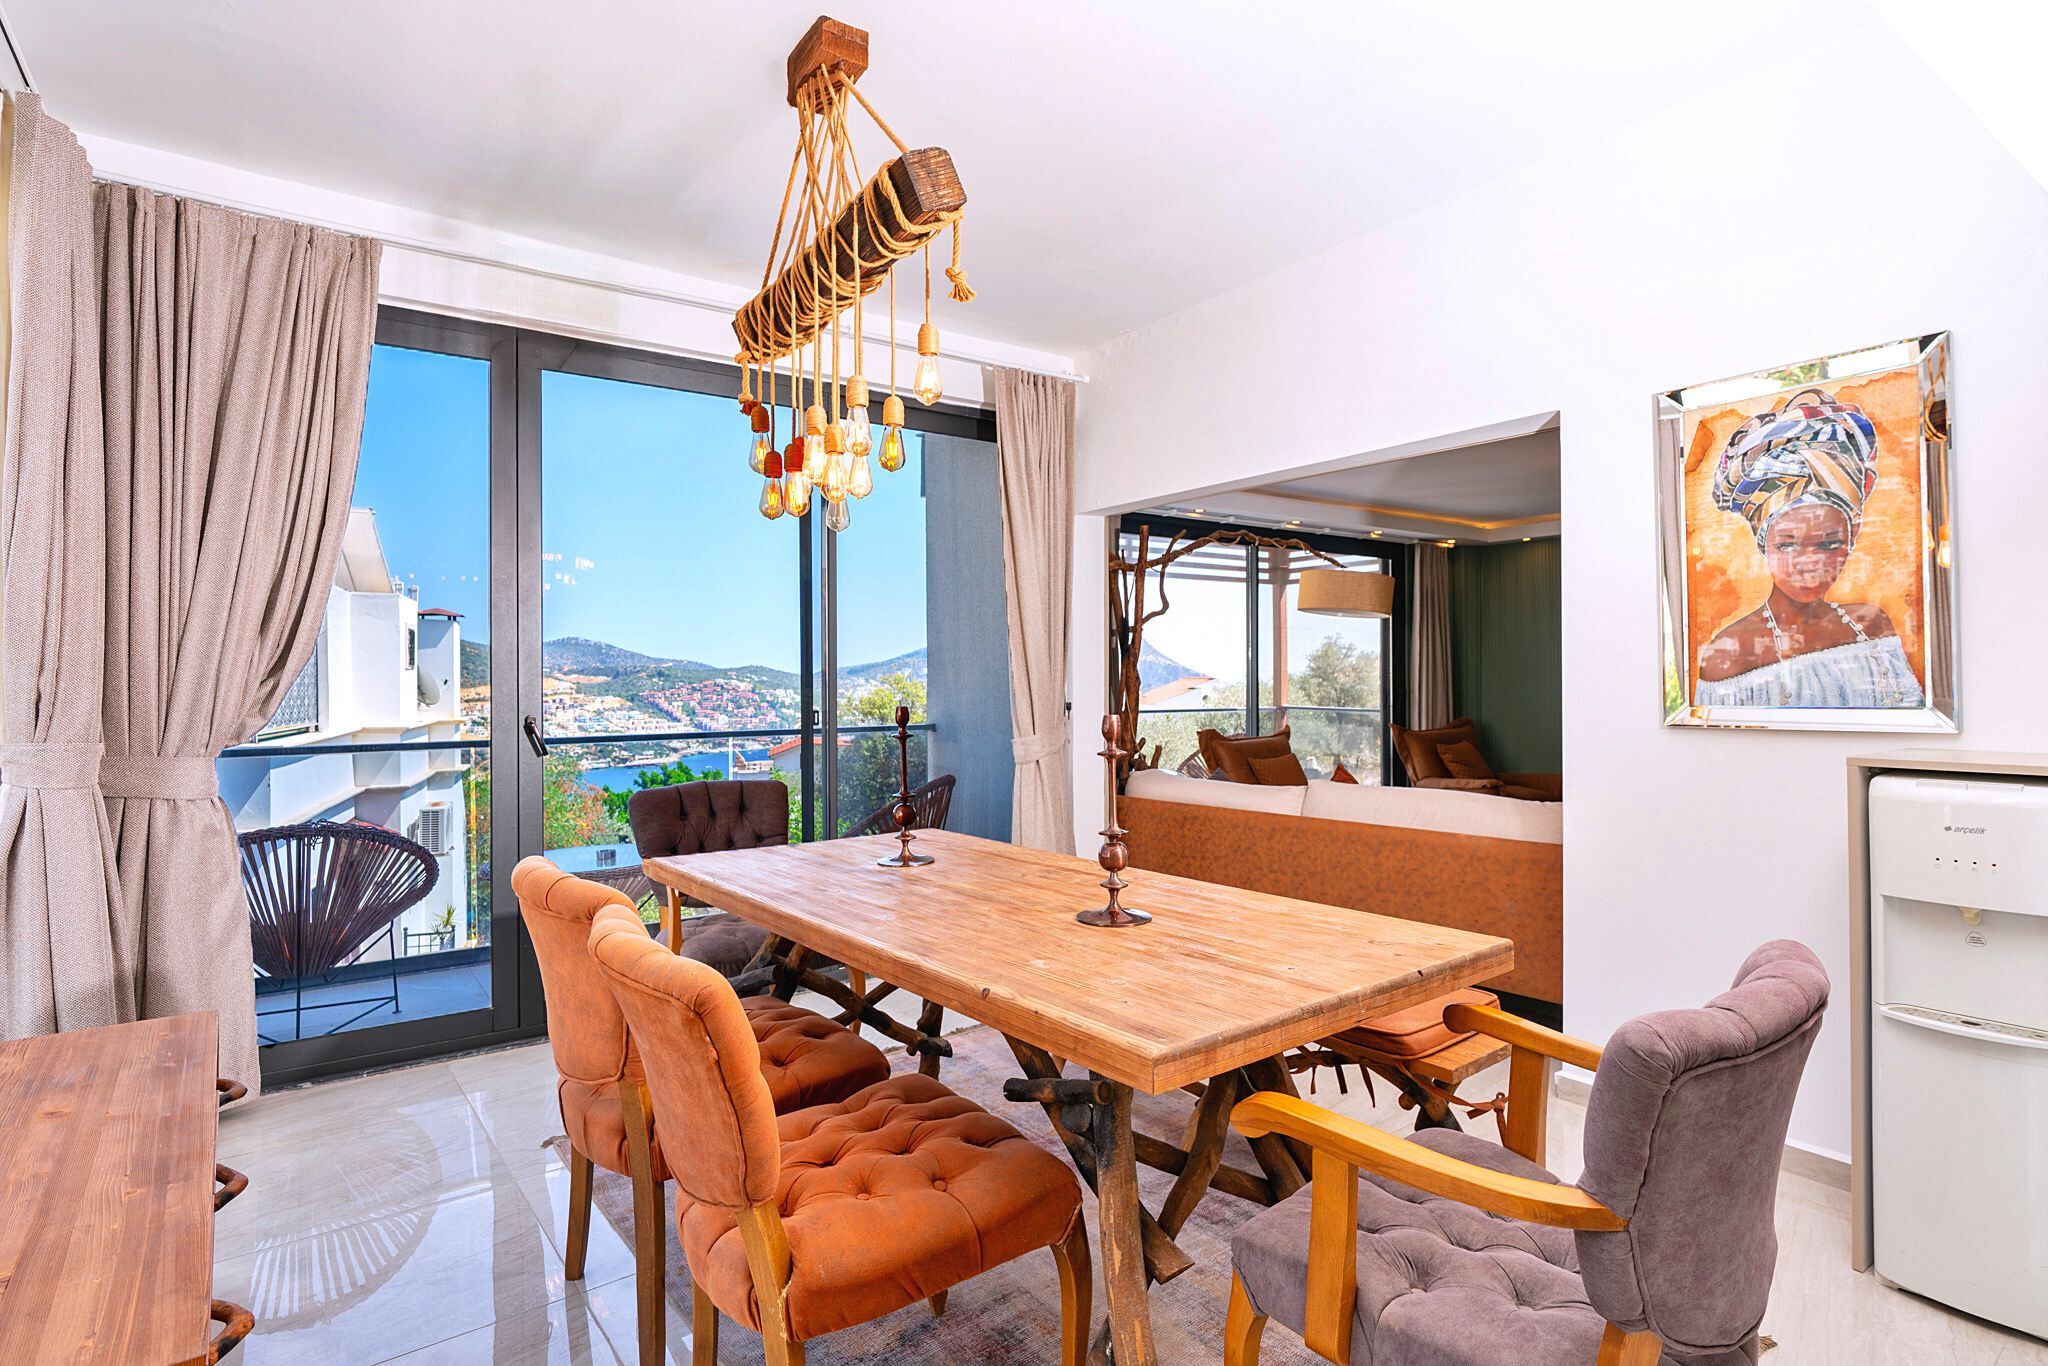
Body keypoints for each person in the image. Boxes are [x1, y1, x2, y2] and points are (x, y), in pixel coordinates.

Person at [1694, 387, 1923, 708]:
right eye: (1788, 545)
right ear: (1763, 542)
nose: (1810, 562)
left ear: (1852, 537)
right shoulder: (1731, 652)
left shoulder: (1871, 625)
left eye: (1829, 544)